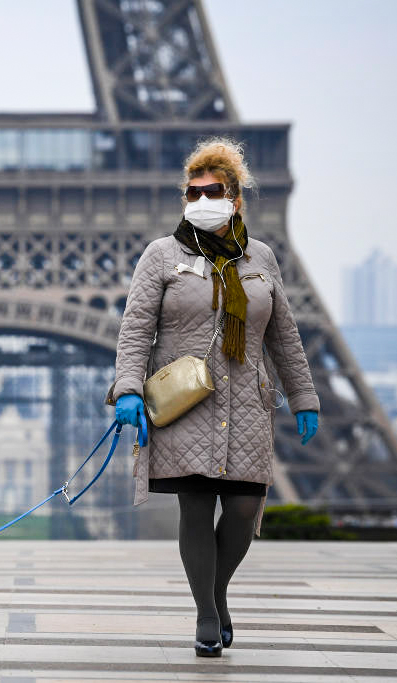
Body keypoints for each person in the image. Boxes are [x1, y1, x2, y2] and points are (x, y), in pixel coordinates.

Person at [109, 138, 320, 657]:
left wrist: (304, 396)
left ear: (235, 198)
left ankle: (216, 593)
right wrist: (128, 390)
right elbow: (136, 329)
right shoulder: (162, 255)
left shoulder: (261, 257)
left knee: (245, 507)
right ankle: (207, 614)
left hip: (246, 400)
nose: (201, 199)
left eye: (213, 190)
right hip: (187, 400)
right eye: (192, 191)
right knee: (197, 507)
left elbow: (285, 335)